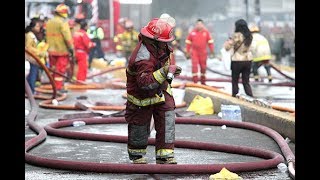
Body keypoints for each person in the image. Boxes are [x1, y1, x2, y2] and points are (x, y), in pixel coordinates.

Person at [125, 15, 181, 164]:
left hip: (161, 90)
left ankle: (165, 154)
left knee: (167, 116)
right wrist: (165, 71)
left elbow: (162, 68)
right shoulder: (142, 56)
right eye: (164, 42)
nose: (167, 44)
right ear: (155, 41)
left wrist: (170, 73)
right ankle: (137, 155)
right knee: (140, 123)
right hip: (141, 96)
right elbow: (145, 83)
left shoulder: (160, 48)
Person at [46, 3, 75, 93]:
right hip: (61, 50)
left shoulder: (49, 22)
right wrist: (71, 48)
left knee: (52, 69)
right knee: (60, 70)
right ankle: (58, 88)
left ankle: (52, 86)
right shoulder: (63, 22)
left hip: (51, 50)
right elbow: (67, 37)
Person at [224, 19, 253, 97]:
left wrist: (228, 41)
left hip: (237, 60)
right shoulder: (249, 35)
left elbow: (227, 47)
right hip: (248, 60)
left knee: (235, 81)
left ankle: (235, 96)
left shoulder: (236, 35)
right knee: (246, 81)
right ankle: (250, 97)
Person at [185, 19, 214, 85]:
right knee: (194, 67)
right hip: (194, 53)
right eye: (198, 24)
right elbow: (188, 42)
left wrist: (212, 51)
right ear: (196, 25)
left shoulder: (206, 32)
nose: (199, 25)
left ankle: (203, 82)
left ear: (203, 25)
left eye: (200, 24)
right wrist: (187, 52)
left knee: (203, 67)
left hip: (203, 53)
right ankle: (195, 82)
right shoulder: (192, 32)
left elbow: (210, 42)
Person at [25, 17, 48, 94]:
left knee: (32, 74)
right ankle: (31, 91)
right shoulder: (30, 36)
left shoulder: (31, 35)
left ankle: (29, 90)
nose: (39, 28)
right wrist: (38, 52)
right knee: (33, 74)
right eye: (37, 26)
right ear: (32, 27)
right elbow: (28, 47)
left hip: (33, 57)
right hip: (32, 58)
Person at [72, 16, 95, 82]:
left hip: (75, 52)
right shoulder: (83, 34)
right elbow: (88, 44)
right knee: (82, 68)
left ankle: (75, 79)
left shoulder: (76, 33)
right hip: (82, 53)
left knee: (76, 67)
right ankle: (81, 81)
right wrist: (93, 44)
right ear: (85, 27)